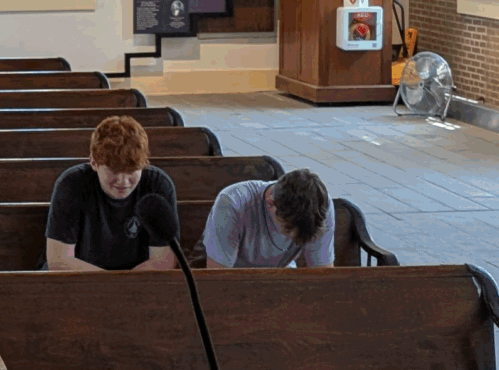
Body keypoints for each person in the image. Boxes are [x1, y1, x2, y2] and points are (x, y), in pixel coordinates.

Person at [44, 116, 182, 273]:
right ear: (94, 163)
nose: (123, 182)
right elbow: (59, 261)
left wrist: (122, 288)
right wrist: (113, 287)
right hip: (79, 279)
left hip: (140, 279)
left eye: (131, 171)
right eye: (114, 171)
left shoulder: (158, 185)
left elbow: (164, 260)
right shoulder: (71, 184)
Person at [203, 170, 335, 270]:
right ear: (270, 204)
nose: (291, 239)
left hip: (282, 276)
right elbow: (219, 276)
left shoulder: (321, 206)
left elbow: (322, 272)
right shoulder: (232, 203)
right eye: (288, 230)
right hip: (236, 276)